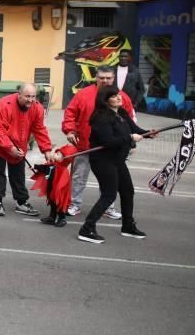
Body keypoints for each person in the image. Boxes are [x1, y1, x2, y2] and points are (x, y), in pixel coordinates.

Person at [78, 85, 154, 243]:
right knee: (109, 194)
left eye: (118, 94)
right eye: (113, 96)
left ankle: (127, 226)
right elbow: (108, 141)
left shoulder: (122, 113)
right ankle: (87, 229)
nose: (119, 97)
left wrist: (148, 133)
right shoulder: (101, 117)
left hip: (118, 160)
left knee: (127, 191)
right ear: (105, 101)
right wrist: (130, 138)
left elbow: (135, 129)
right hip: (103, 161)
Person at [62, 66, 135, 218]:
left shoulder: (121, 96)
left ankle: (108, 207)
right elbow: (70, 113)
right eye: (102, 77)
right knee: (79, 177)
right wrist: (70, 131)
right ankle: (74, 204)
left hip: (112, 150)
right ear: (96, 77)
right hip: (86, 146)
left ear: (113, 79)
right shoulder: (83, 94)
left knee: (111, 180)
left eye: (108, 78)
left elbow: (129, 120)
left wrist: (131, 142)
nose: (105, 80)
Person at [0, 83, 54, 217]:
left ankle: (21, 202)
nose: (30, 100)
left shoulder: (37, 108)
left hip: (19, 145)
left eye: (33, 96)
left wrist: (46, 150)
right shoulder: (3, 105)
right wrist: (9, 147)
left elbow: (39, 129)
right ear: (19, 94)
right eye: (27, 96)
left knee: (18, 175)